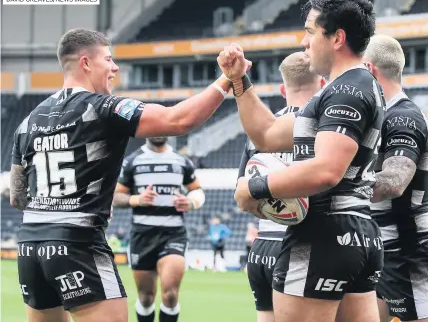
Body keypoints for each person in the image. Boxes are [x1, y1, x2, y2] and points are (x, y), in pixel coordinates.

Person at [9, 28, 240, 322]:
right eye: (108, 59)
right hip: (78, 241)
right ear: (86, 63)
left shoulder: (29, 121)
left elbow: (18, 197)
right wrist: (226, 81)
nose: (115, 67)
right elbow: (178, 120)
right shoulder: (103, 107)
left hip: (30, 247)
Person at [218, 0, 386, 322]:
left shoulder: (345, 91)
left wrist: (254, 187)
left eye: (310, 32)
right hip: (356, 233)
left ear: (336, 38)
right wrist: (238, 80)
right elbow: (266, 134)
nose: (303, 41)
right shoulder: (346, 89)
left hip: (322, 235)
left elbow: (326, 170)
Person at [338, 35, 428, 322]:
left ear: (369, 69)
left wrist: (334, 185)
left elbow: (394, 181)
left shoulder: (403, 117)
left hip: (407, 253)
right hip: (380, 250)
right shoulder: (380, 116)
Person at [240, 52, 324, 322]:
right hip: (304, 246)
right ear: (323, 85)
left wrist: (273, 211)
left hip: (263, 245)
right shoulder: (326, 128)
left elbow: (243, 194)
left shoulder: (262, 132)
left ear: (282, 88)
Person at [112, 136, 205, 322]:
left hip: (173, 234)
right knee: (146, 298)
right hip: (142, 235)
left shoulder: (181, 161)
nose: (159, 131)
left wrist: (192, 202)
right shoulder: (133, 161)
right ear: (147, 131)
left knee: (170, 294)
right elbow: (115, 196)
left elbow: (197, 190)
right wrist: (136, 199)